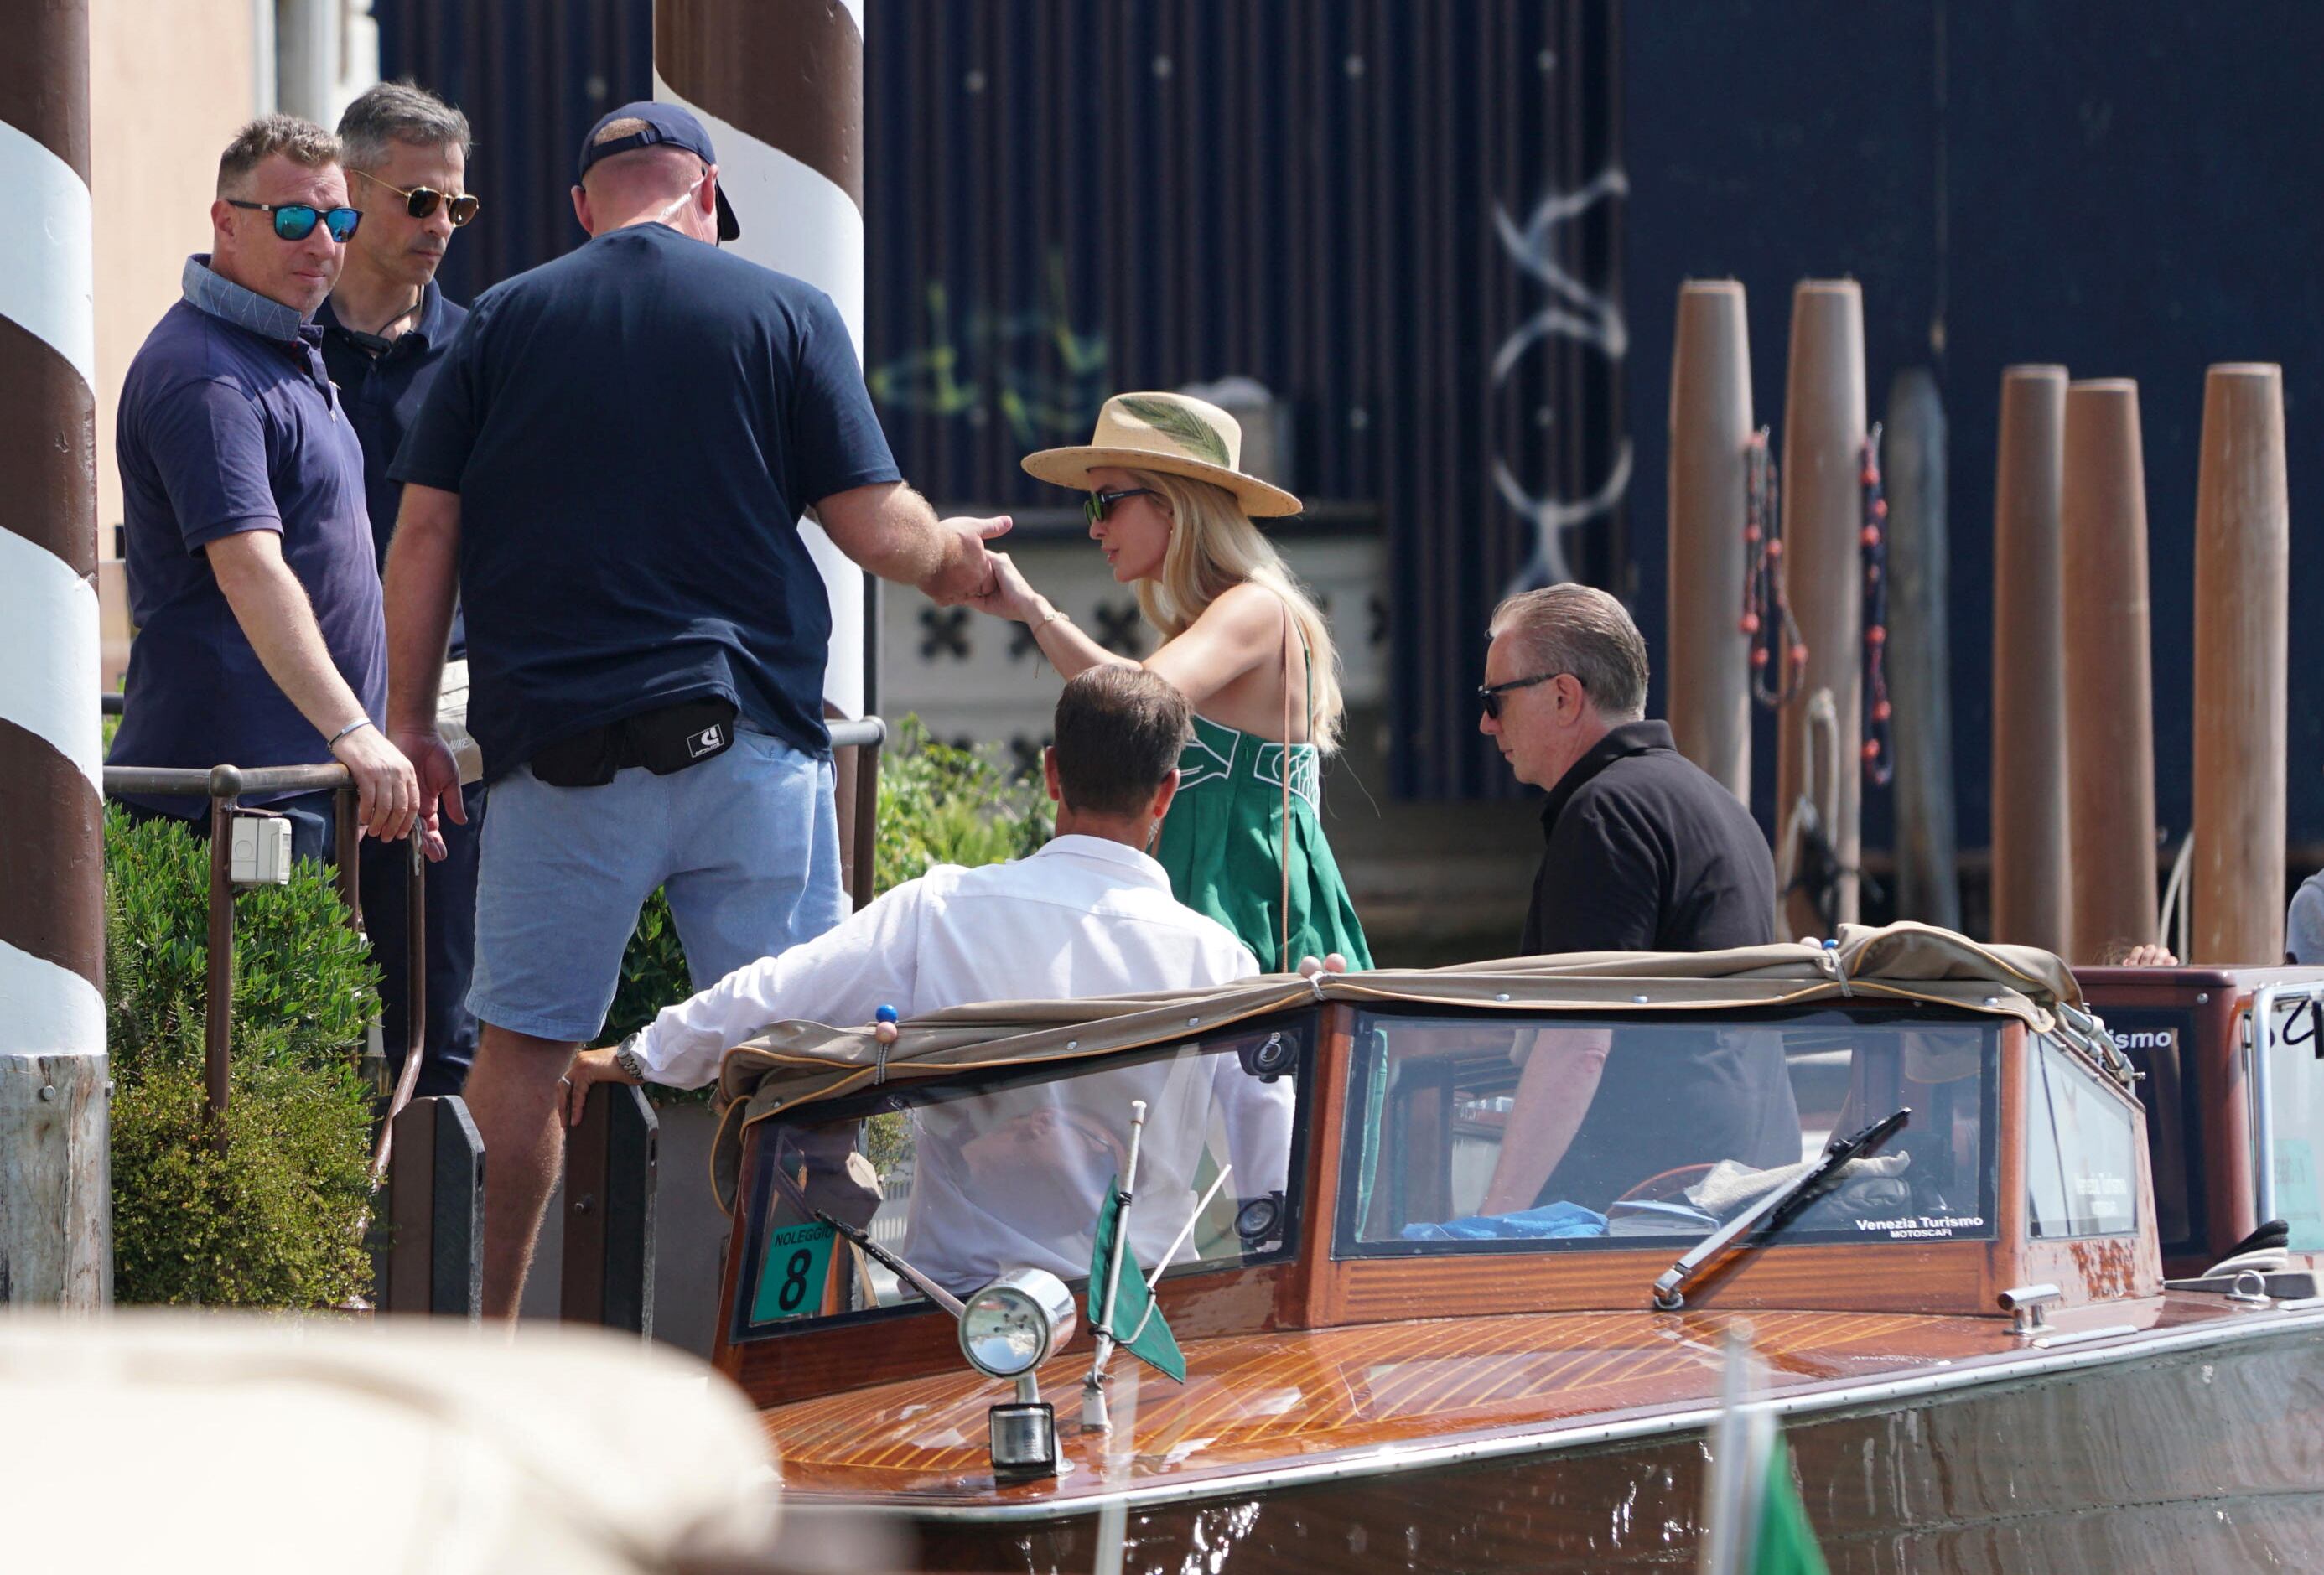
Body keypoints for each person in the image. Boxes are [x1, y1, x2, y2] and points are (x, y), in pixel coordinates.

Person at [383, 102, 1009, 1316]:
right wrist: (957, 562)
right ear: (707, 194)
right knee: (798, 1058)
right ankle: (793, 1361)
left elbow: (424, 534)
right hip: (747, 746)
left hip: (558, 753)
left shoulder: (505, 321)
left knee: (523, 1050)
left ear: (584, 205)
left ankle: (493, 1354)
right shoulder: (783, 313)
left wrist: (411, 721)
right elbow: (878, 528)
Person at [565, 667, 1294, 1297]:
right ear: (1166, 792)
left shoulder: (942, 910)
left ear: (1050, 772)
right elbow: (1271, 1160)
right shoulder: (1217, 960)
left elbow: (777, 991)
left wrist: (632, 1057)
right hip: (1139, 1315)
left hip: (952, 1314)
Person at [963, 391, 1371, 975]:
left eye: (1107, 502)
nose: (1095, 527)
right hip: (1206, 913)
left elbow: (1134, 702)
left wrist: (1034, 609)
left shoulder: (1256, 608)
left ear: (1174, 505)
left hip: (1250, 918)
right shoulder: (1213, 620)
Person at [110, 114, 422, 855]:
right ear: (226, 222)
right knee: (239, 979)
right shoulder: (206, 374)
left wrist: (371, 740)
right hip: (233, 800)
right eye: (292, 220)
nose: (322, 245)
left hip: (297, 782)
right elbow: (249, 567)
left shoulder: (278, 347)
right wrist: (354, 729)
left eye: (338, 220)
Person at [1475, 584, 1797, 1215]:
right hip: (1743, 1194)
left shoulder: (1606, 811)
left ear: (1564, 696)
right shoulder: (1720, 805)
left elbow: (1578, 1042)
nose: (1486, 722)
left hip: (1648, 1210)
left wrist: (1495, 1219)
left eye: (1495, 699)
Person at [318, 80, 484, 1099]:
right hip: (302, 708)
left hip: (439, 711)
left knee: (436, 1001)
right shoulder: (283, 341)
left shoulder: (480, 350)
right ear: (351, 192)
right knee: (296, 1000)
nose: (440, 227)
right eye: (417, 201)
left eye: (456, 207)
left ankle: (432, 1254)